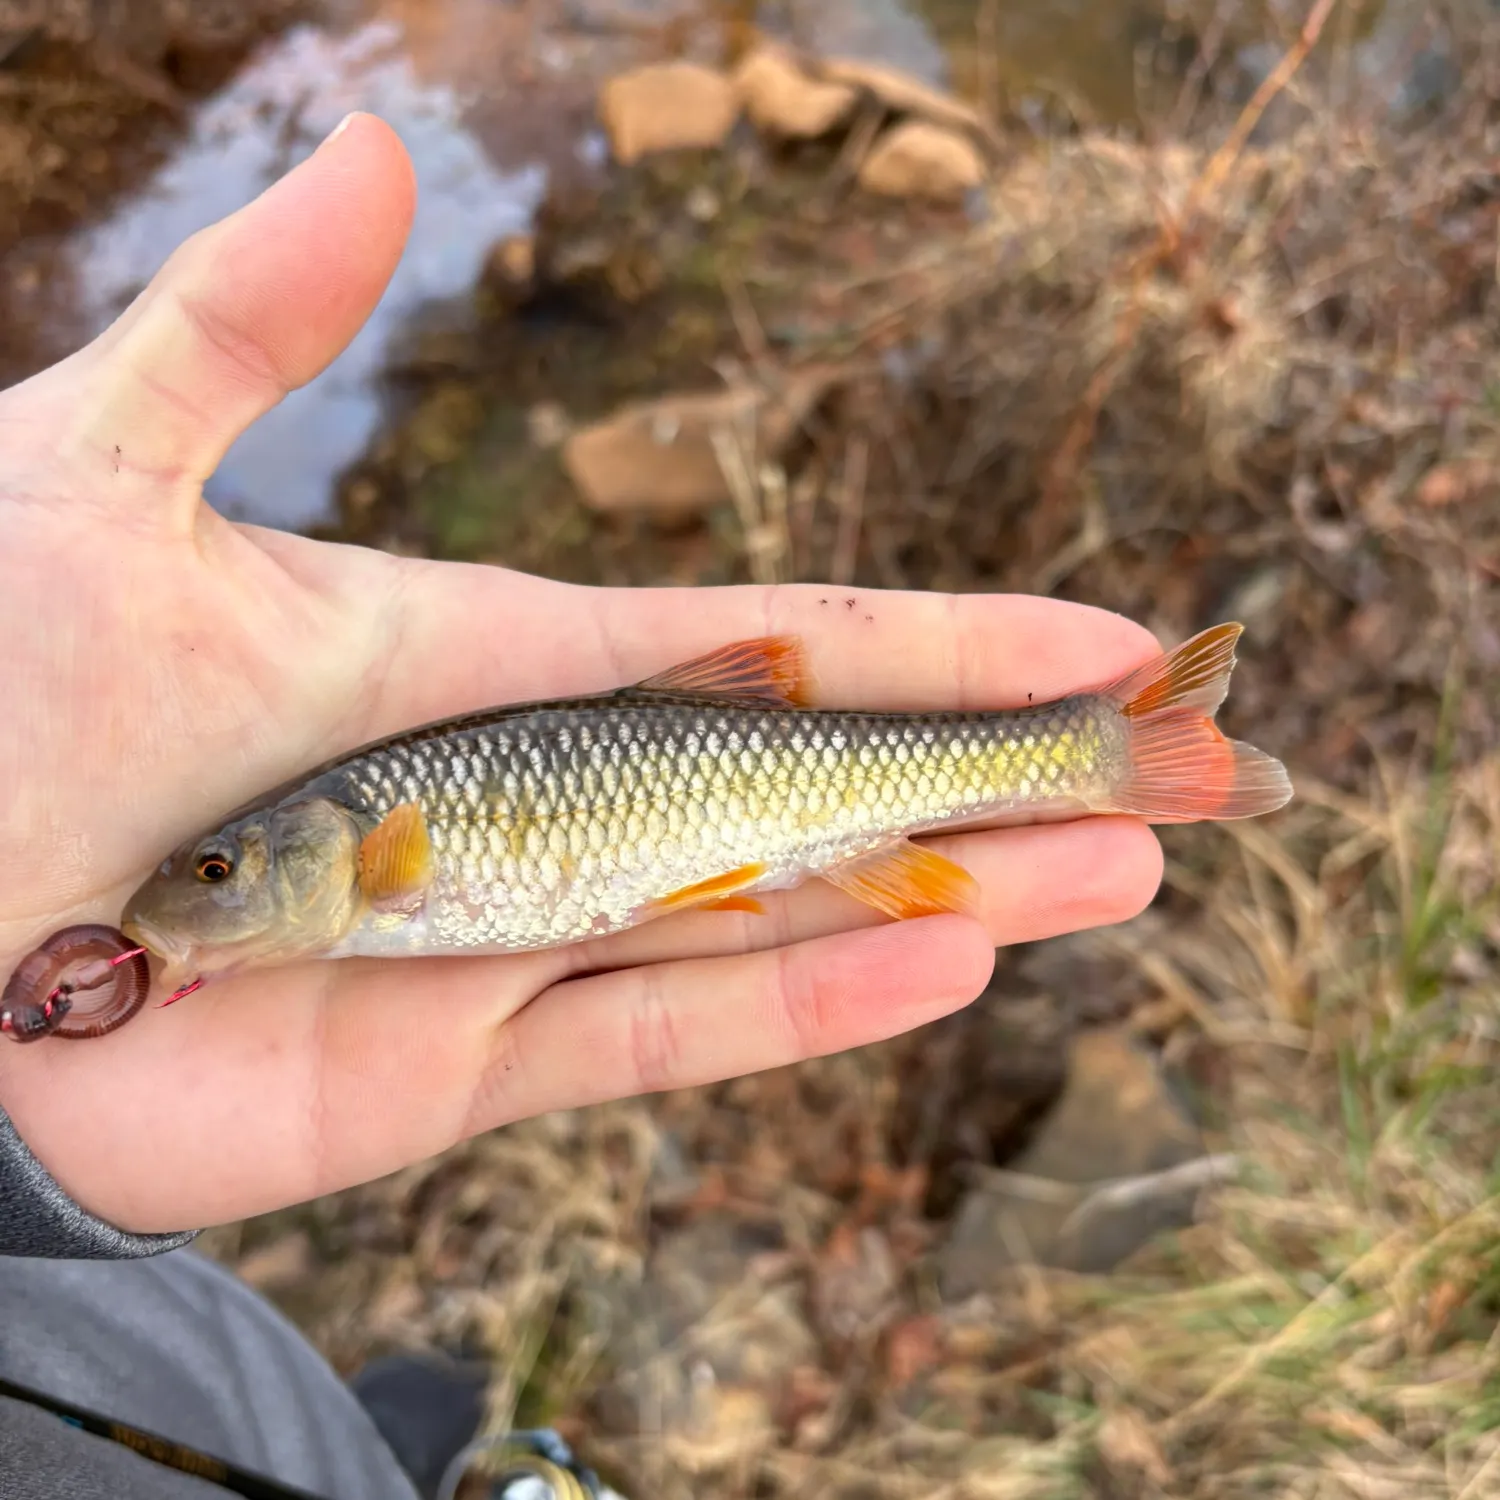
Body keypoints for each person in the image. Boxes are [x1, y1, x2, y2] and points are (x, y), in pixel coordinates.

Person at [0, 113, 1165, 1498]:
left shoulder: (377, 848)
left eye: (221, 869)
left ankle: (1085, 749)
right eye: (212, 875)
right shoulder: (340, 868)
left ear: (335, 854)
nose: (201, 891)